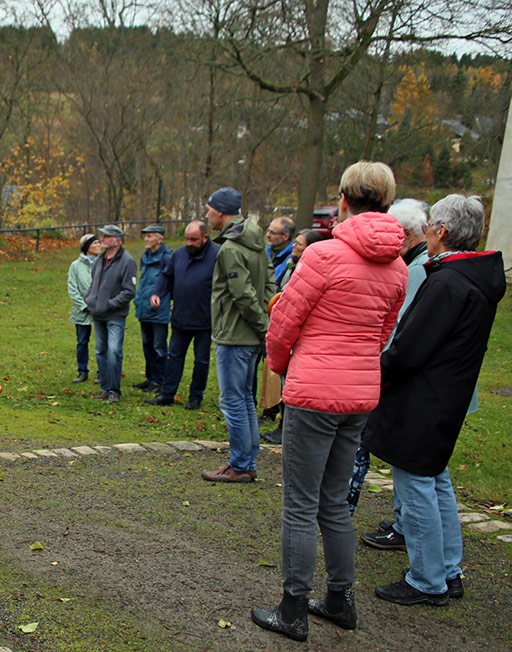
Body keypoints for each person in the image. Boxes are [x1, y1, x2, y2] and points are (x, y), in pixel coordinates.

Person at [251, 161, 407, 642]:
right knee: (334, 503)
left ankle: (293, 607)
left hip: (316, 391)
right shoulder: (398, 265)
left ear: (343, 199)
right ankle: (340, 599)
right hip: (360, 393)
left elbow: (284, 322)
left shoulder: (323, 255)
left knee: (300, 503)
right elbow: (384, 333)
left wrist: (279, 366)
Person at [366, 195, 504, 607]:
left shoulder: (447, 282)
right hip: (446, 395)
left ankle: (427, 578)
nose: (425, 234)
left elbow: (409, 347)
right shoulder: (471, 276)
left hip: (425, 399)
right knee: (436, 479)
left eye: (429, 227)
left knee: (417, 485)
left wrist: (377, 371)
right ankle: (447, 567)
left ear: (441, 232)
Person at [347, 199, 430, 527]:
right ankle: (403, 524)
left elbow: (399, 332)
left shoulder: (417, 271)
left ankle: (403, 527)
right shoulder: (415, 267)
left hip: (402, 379)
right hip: (407, 377)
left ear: (407, 234)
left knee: (386, 456)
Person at [200, 187, 275, 483]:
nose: (207, 215)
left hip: (234, 335)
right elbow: (269, 282)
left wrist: (262, 326)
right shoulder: (257, 242)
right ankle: (246, 458)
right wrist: (268, 321)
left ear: (220, 212)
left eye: (209, 210)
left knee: (232, 400)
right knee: (244, 398)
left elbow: (242, 294)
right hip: (252, 335)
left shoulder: (231, 248)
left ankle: (241, 464)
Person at [261, 227, 323, 444]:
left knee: (289, 383)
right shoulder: (289, 265)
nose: (294, 247)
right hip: (281, 327)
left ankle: (286, 427)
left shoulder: (310, 270)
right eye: (295, 243)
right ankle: (276, 416)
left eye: (299, 244)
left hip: (297, 336)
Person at [146, 220, 218, 410]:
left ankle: (196, 396)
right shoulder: (179, 254)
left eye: (194, 240)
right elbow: (166, 275)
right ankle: (167, 393)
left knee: (201, 361)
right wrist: (157, 293)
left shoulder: (217, 256)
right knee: (174, 357)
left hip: (205, 320)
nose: (189, 243)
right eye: (187, 239)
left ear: (205, 237)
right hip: (180, 318)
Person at [84, 224, 137, 404]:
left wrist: (109, 304)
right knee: (101, 352)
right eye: (103, 236)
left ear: (117, 240)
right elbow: (93, 283)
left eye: (107, 236)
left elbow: (129, 291)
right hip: (97, 314)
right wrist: (89, 298)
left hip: (115, 316)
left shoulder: (127, 261)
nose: (103, 239)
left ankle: (115, 390)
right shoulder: (99, 260)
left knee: (114, 351)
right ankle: (105, 389)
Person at [132, 224, 172, 395]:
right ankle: (150, 378)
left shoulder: (167, 257)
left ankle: (159, 380)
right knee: (147, 345)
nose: (146, 240)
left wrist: (170, 302)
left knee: (159, 346)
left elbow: (172, 282)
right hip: (144, 308)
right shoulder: (145, 257)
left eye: (150, 236)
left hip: (158, 310)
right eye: (145, 236)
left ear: (160, 238)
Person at [68, 234, 102, 383]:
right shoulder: (75, 266)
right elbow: (72, 288)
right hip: (82, 312)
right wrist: (83, 306)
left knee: (102, 343)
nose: (99, 245)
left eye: (99, 242)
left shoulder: (104, 263)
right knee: (82, 342)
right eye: (95, 243)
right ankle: (82, 371)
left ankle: (102, 373)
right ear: (87, 247)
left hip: (101, 310)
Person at [266, 216, 296, 283]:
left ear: (285, 237)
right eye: (268, 231)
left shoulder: (292, 259)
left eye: (272, 233)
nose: (268, 235)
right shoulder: (266, 250)